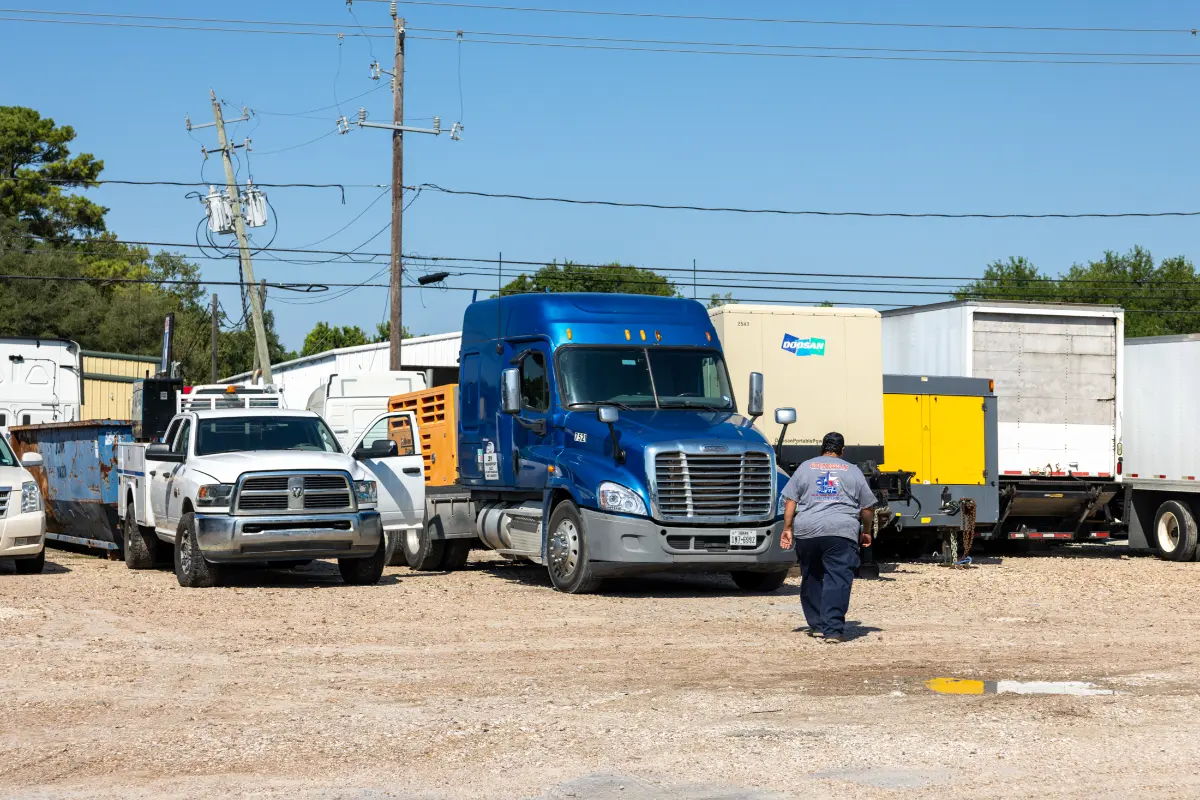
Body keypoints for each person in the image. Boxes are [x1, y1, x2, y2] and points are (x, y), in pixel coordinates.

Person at [780, 432, 876, 643]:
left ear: (821, 449)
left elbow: (790, 501)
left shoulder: (805, 467)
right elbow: (867, 507)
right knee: (838, 578)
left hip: (808, 530)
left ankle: (816, 625)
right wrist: (866, 530)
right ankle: (832, 630)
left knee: (811, 575)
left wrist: (787, 527)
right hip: (841, 531)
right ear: (842, 450)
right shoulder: (853, 471)